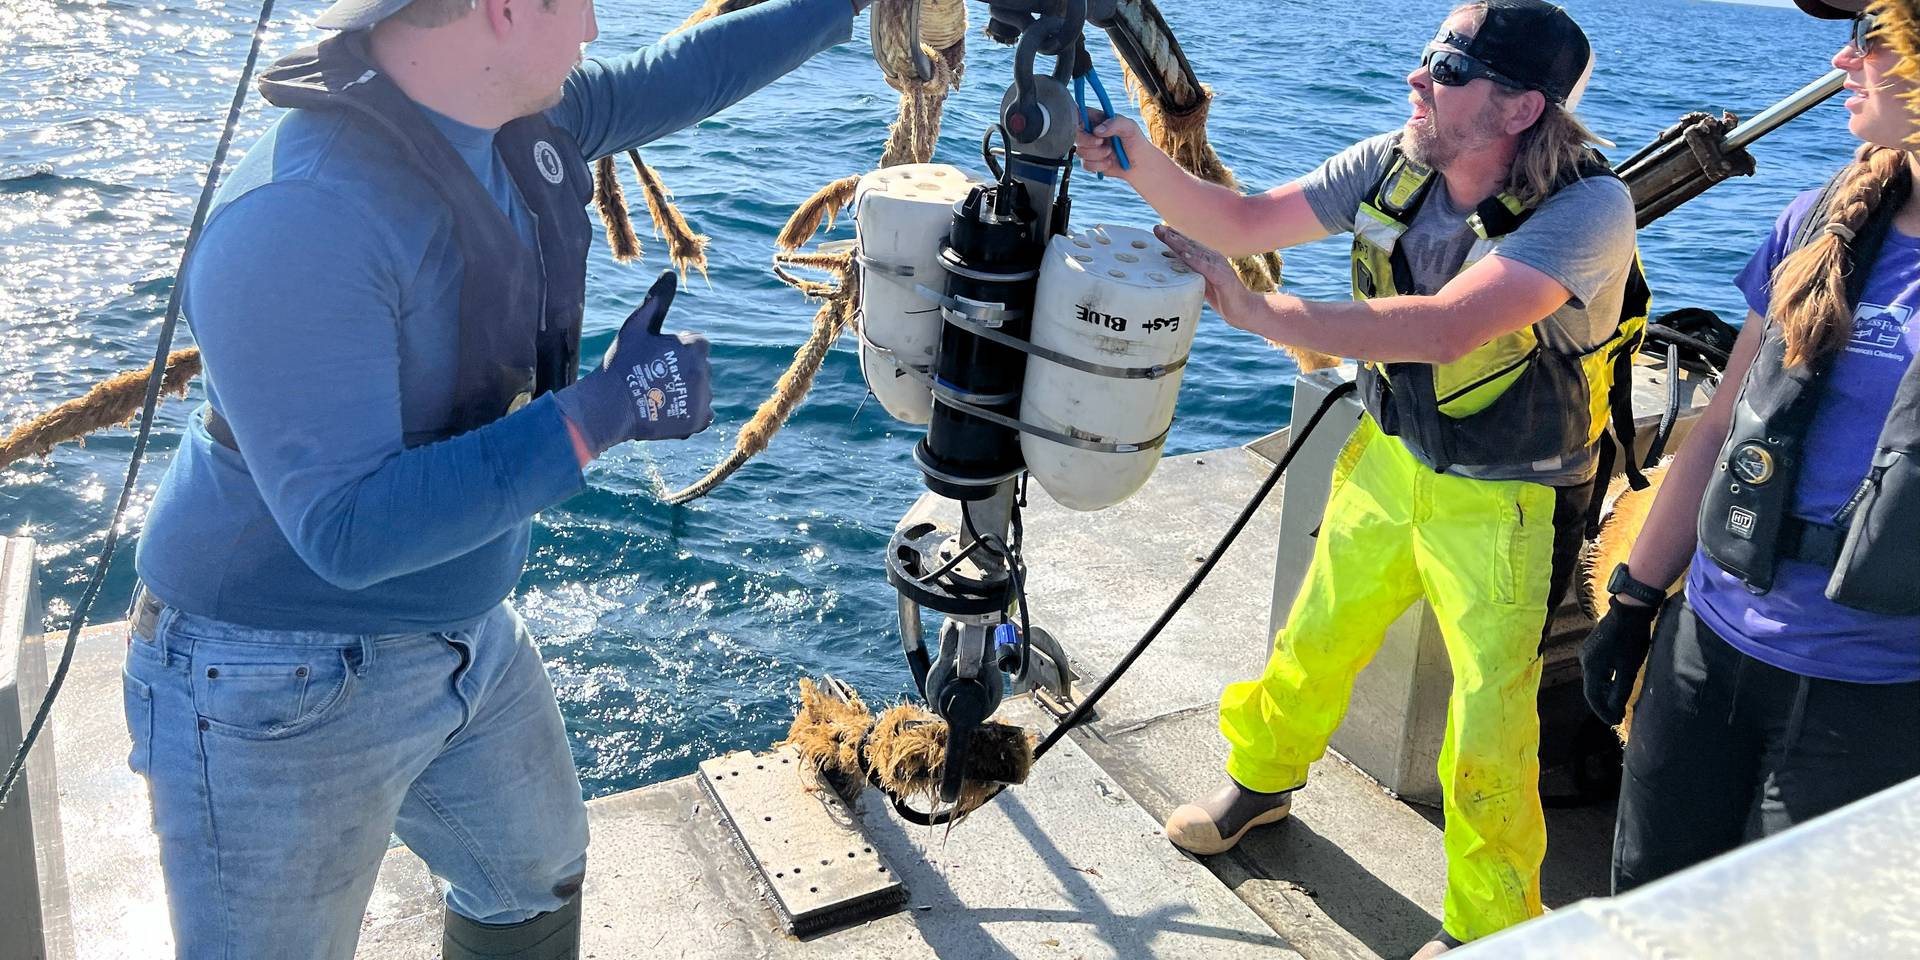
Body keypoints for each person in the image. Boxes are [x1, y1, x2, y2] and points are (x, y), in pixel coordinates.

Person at [122, 0, 862, 955]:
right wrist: (607, 411)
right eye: (584, 2)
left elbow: (672, 79)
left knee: (529, 879)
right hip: (273, 672)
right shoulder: (299, 219)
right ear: (506, 9)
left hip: (463, 628)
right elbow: (349, 528)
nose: (597, 29)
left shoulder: (509, 121)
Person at [1078, 0, 1641, 952]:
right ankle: (1261, 781)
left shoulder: (1590, 209)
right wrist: (1131, 153)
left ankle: (1489, 930)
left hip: (1509, 501)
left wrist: (1262, 314)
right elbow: (1245, 216)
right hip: (1389, 456)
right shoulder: (1393, 160)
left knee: (1490, 729)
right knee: (1316, 634)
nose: (1419, 76)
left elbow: (1446, 326)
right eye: (1429, 56)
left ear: (1519, 109)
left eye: (1450, 69)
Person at [1583, 0, 1920, 894]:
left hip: (1877, 696)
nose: (1844, 63)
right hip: (1707, 646)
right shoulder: (1818, 223)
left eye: (1871, 39)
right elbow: (1727, 424)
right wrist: (1633, 600)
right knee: (1650, 902)